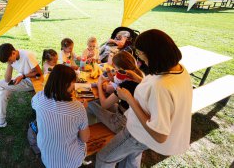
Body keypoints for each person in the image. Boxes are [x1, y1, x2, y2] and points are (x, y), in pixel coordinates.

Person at [96, 29, 193, 168]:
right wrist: (139, 79)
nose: (140, 58)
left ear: (153, 54)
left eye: (140, 54)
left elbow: (159, 135)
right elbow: (155, 94)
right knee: (129, 160)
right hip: (140, 137)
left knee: (104, 158)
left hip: (137, 134)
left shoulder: (161, 86)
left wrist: (129, 99)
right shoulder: (177, 69)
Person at [32, 64, 90, 168]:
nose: (75, 85)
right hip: (69, 162)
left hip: (46, 155)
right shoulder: (78, 108)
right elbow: (85, 138)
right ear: (67, 84)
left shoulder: (38, 97)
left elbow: (36, 105)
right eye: (73, 82)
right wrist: (83, 108)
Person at [0, 43, 43, 132]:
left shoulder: (27, 55)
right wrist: (9, 64)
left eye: (9, 60)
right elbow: (7, 79)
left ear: (13, 53)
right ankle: (1, 122)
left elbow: (39, 74)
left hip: (31, 82)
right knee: (3, 93)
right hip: (23, 78)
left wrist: (23, 76)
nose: (10, 62)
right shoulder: (12, 59)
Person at [88, 51, 143, 133]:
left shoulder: (126, 85)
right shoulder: (139, 75)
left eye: (116, 68)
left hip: (120, 123)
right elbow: (114, 88)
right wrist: (112, 81)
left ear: (121, 69)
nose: (115, 70)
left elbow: (104, 105)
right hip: (129, 115)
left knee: (90, 104)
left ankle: (94, 129)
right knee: (99, 100)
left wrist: (99, 84)